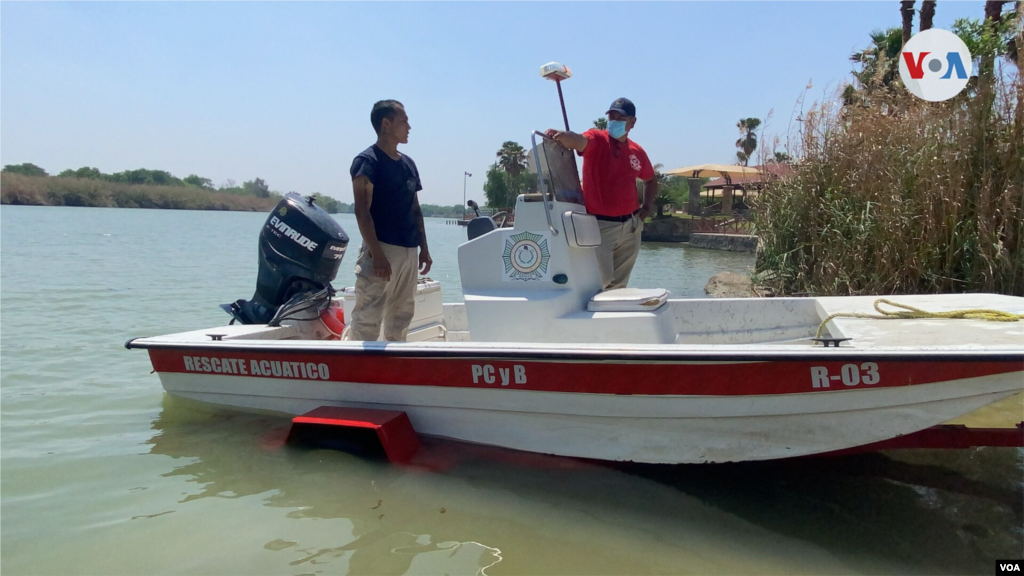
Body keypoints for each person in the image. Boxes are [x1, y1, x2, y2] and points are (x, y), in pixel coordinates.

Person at [546, 97, 657, 290]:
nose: (614, 120)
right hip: (600, 226)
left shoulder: (637, 151)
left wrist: (646, 207)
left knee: (620, 285)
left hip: (631, 226)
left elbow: (651, 179)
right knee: (600, 281)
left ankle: (612, 318)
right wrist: (562, 136)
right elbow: (579, 141)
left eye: (620, 117)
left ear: (632, 122)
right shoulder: (597, 139)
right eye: (612, 116)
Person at [344, 100, 431, 341]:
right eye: (404, 121)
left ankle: (393, 367)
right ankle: (359, 371)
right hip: (381, 249)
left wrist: (424, 249)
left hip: (409, 252)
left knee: (402, 315)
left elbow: (415, 208)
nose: (409, 127)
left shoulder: (408, 164)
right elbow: (362, 212)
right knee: (368, 317)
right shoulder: (367, 162)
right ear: (386, 124)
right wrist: (377, 255)